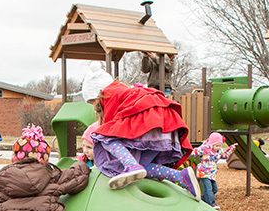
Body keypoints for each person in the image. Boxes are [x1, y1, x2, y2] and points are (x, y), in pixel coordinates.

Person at [81, 61, 200, 200]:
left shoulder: (109, 93)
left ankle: (130, 165)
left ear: (98, 93)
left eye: (92, 101)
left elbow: (110, 125)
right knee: (144, 166)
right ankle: (181, 177)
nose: (94, 106)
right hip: (162, 126)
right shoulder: (123, 91)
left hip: (150, 122)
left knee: (103, 137)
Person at [191, 132, 237, 210]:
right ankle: (212, 204)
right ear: (211, 144)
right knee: (208, 189)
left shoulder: (218, 151)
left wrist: (231, 148)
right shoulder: (205, 148)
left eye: (220, 145)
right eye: (216, 145)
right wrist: (187, 152)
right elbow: (195, 152)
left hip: (211, 174)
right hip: (204, 173)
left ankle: (202, 200)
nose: (218, 147)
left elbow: (225, 155)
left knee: (214, 189)